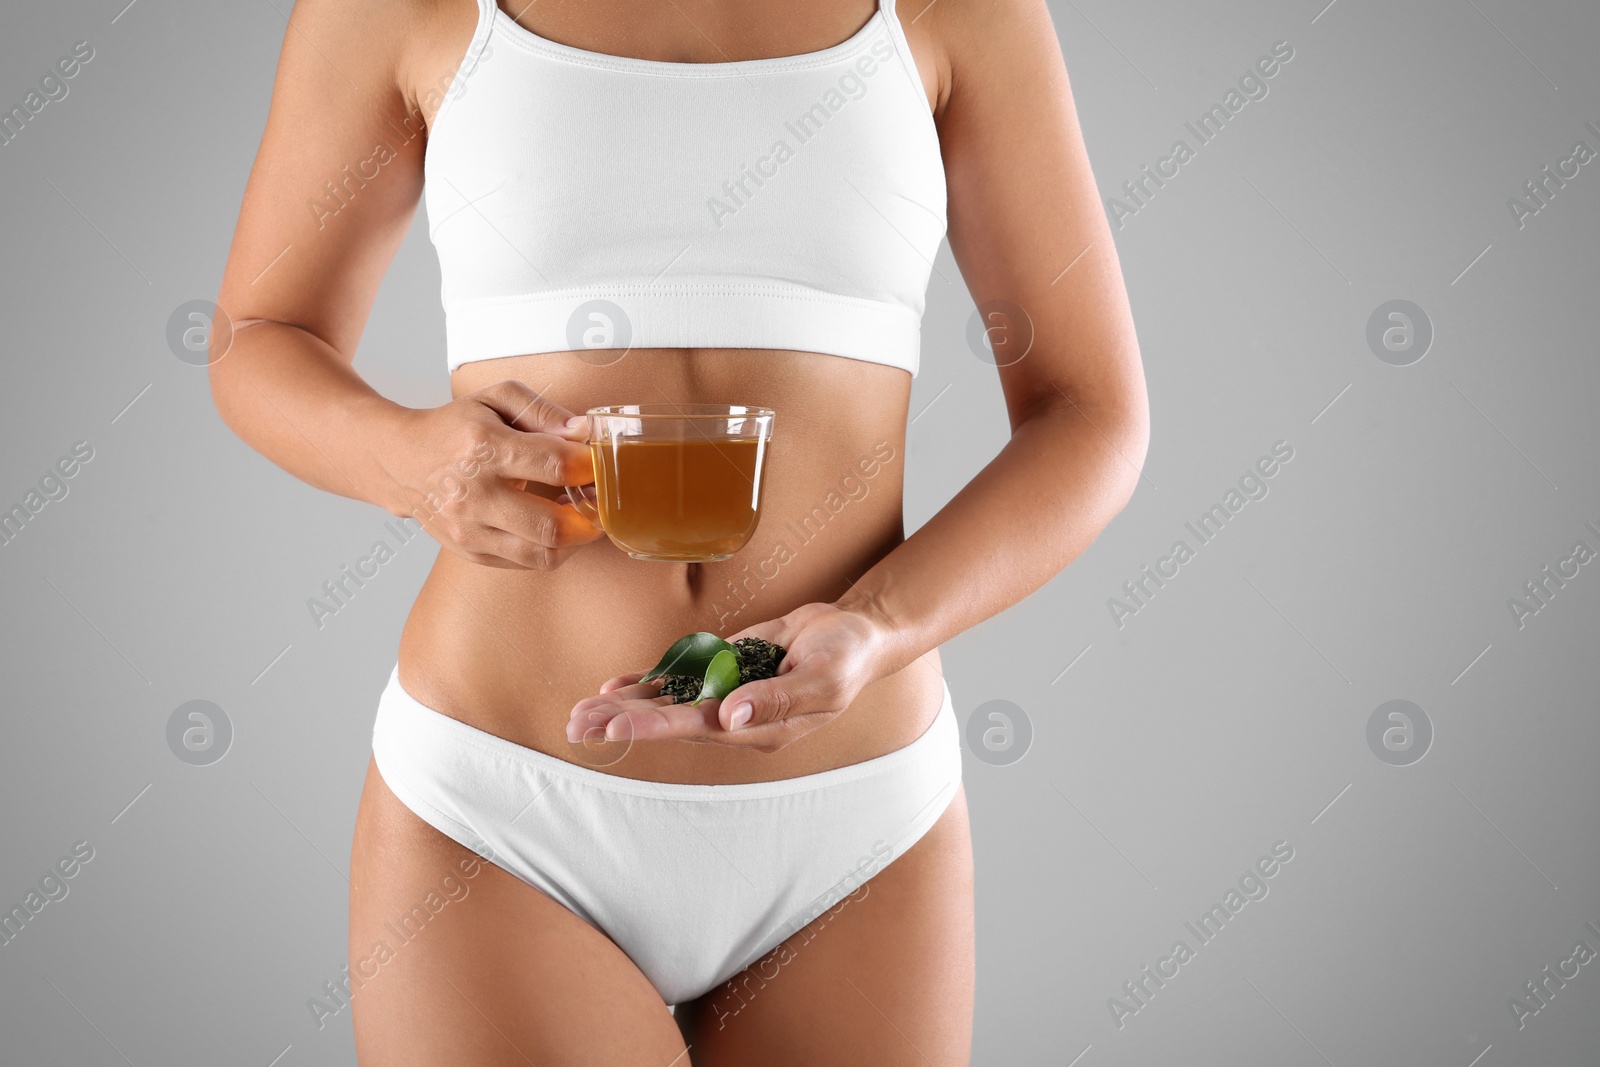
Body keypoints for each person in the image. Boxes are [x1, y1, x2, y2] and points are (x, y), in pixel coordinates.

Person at [210, 0, 1147, 1061]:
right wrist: (411, 465)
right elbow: (257, 336)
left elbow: (1091, 411)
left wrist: (878, 627)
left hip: (854, 820)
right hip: (506, 806)